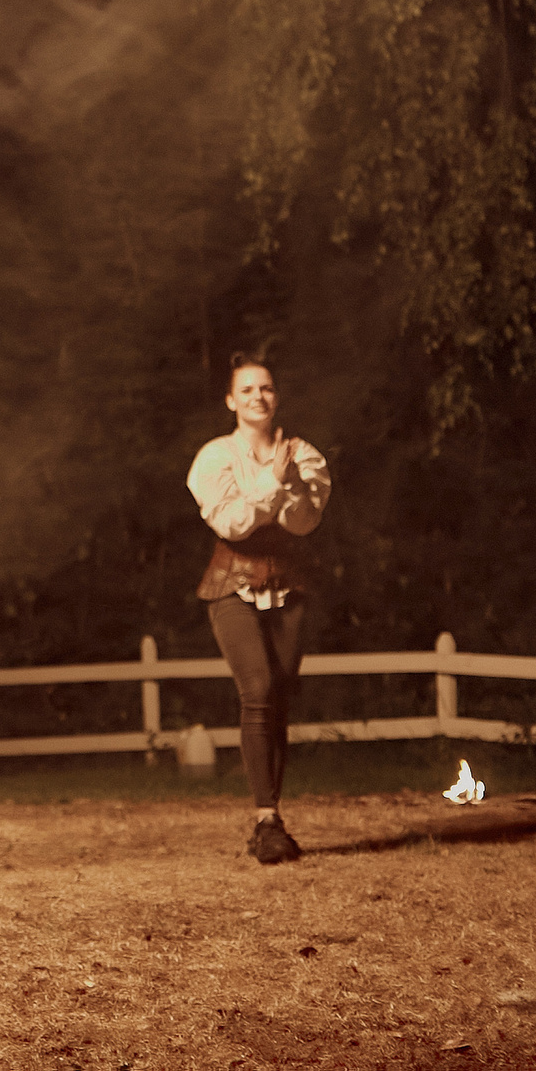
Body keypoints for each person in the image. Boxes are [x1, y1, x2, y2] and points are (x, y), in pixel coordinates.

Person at [186, 353, 332, 864]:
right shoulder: (215, 457)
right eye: (246, 390)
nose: (258, 397)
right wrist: (274, 481)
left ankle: (272, 818)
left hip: (289, 584)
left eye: (265, 388)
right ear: (231, 400)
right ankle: (265, 818)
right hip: (232, 584)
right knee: (259, 688)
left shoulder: (304, 455)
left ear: (277, 396)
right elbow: (233, 524)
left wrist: (287, 484)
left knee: (280, 697)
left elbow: (304, 523)